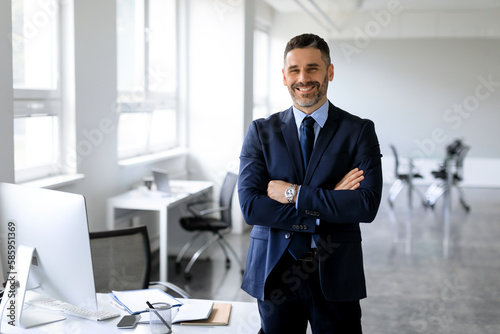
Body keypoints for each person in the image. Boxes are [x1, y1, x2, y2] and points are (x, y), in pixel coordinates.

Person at [238, 33, 383, 333]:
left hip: (335, 269)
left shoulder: (358, 131)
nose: (303, 78)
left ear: (329, 71)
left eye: (313, 68)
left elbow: (365, 206)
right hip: (274, 271)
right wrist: (330, 200)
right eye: (294, 70)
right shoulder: (261, 132)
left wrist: (293, 193)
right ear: (284, 76)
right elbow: (252, 208)